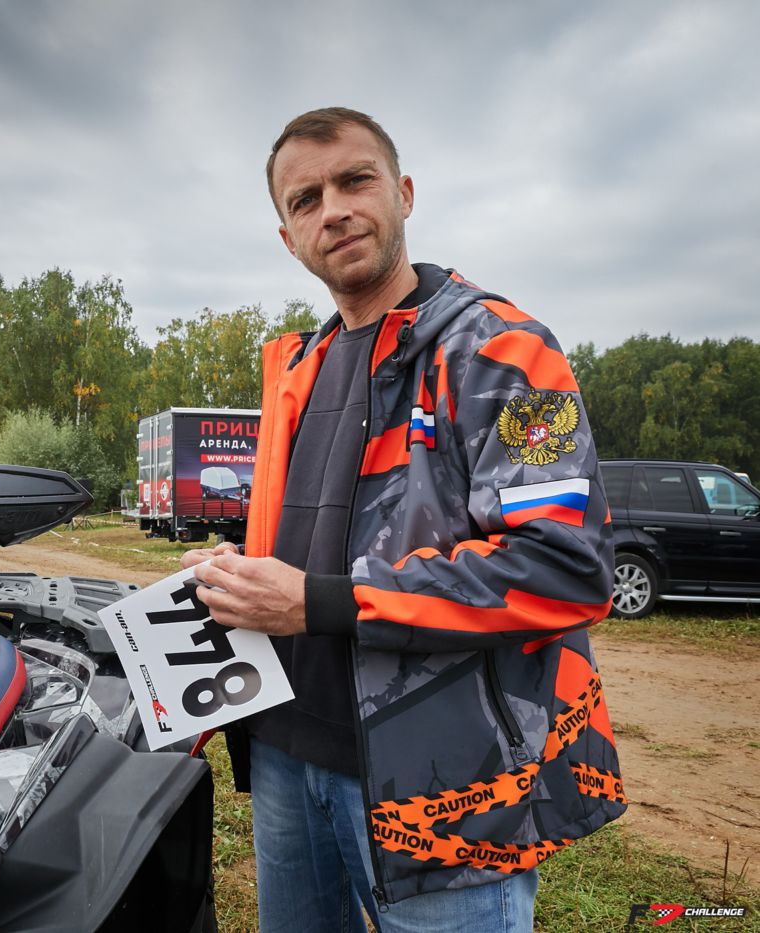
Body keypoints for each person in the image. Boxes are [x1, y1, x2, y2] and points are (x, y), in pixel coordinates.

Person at [184, 108, 624, 931]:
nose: (334, 210)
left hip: (443, 784)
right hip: (283, 761)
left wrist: (320, 600)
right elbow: (303, 546)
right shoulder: (297, 369)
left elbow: (566, 565)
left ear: (404, 193)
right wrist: (233, 573)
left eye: (355, 180)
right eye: (306, 199)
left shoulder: (507, 351)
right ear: (287, 236)